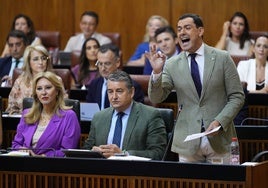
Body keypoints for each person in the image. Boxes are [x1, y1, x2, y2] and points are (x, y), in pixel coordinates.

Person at [146, 13, 245, 164]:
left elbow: (237, 96)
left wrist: (219, 121)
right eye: (179, 29)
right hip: (187, 141)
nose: (181, 33)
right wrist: (157, 73)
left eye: (187, 28)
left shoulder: (222, 58)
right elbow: (156, 97)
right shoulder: (172, 64)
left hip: (220, 138)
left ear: (200, 31)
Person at [83, 70, 166, 160]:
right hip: (103, 171)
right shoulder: (99, 117)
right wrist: (93, 151)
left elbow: (158, 153)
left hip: (133, 171)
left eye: (119, 91)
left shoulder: (150, 116)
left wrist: (123, 154)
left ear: (131, 92)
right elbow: (87, 148)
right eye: (110, 92)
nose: (114, 97)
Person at [12, 71, 81, 157]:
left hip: (52, 166)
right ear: (36, 93)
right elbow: (16, 144)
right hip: (24, 164)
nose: (43, 92)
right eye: (39, 88)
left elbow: (68, 151)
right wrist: (21, 149)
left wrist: (43, 156)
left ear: (57, 91)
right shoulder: (27, 114)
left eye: (48, 88)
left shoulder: (69, 116)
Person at [86, 43, 144, 110]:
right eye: (100, 63)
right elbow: (89, 113)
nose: (103, 68)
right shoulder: (94, 84)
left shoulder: (132, 86)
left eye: (107, 63)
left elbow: (137, 114)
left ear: (117, 63)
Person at [5, 45, 53, 114]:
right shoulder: (20, 81)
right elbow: (11, 109)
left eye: (44, 58)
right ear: (28, 62)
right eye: (36, 59)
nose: (41, 62)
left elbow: (63, 105)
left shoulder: (56, 80)